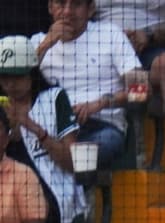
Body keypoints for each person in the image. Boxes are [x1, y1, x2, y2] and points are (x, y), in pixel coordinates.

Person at [92, 0, 165, 176]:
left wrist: (150, 35)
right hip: (100, 51)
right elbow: (71, 13)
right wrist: (112, 39)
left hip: (152, 49)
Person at [31, 0, 142, 170]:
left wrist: (100, 104)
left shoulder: (110, 34)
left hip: (102, 127)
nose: (67, 12)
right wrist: (47, 43)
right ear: (50, 7)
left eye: (76, 4)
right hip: (54, 132)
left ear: (90, 9)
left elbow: (141, 91)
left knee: (82, 156)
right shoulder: (36, 43)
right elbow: (13, 86)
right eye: (61, 3)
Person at [0, 35, 88, 223]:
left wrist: (31, 127)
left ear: (32, 72)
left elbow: (73, 163)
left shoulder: (55, 99)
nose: (10, 85)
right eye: (4, 77)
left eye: (16, 76)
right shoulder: (1, 105)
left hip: (53, 192)